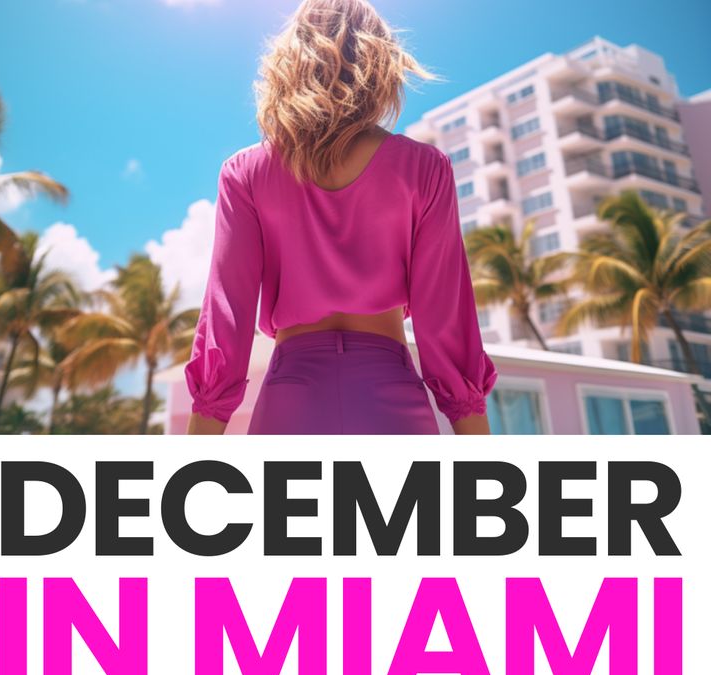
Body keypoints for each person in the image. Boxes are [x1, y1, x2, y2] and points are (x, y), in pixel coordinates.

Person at [186, 0, 495, 435]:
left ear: (291, 61)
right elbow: (446, 323)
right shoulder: (425, 169)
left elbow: (227, 322)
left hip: (289, 399)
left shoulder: (246, 172)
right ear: (380, 61)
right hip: (391, 396)